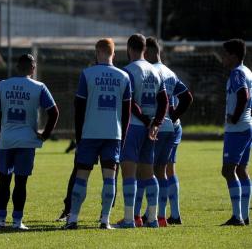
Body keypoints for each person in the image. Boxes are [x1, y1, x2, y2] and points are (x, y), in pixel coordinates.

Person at [63, 38, 131, 230]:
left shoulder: (87, 74)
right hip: (113, 134)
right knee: (109, 177)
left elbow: (79, 107)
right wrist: (122, 137)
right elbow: (126, 113)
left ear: (97, 52)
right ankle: (105, 221)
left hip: (90, 133)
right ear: (113, 54)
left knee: (82, 176)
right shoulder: (124, 76)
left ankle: (73, 219)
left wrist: (79, 137)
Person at [0, 54, 59, 230]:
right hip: (27, 141)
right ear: (32, 68)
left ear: (16, 67)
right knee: (21, 183)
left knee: (3, 181)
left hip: (6, 140)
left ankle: (0, 220)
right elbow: (54, 112)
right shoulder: (39, 87)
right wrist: (45, 134)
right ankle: (17, 221)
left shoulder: (3, 85)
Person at [114, 33, 168, 228]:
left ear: (129, 49)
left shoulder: (127, 71)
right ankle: (152, 219)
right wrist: (156, 123)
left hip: (134, 127)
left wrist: (146, 121)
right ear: (145, 49)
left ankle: (129, 219)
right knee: (148, 173)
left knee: (128, 173)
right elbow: (164, 101)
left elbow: (130, 103)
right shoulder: (155, 71)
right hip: (150, 129)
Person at [142, 37, 192, 226]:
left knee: (150, 170)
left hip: (159, 127)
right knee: (167, 169)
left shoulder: (152, 71)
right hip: (174, 127)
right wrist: (175, 114)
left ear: (148, 52)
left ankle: (152, 214)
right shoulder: (171, 73)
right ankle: (174, 214)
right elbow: (187, 97)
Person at [220, 39, 252, 226]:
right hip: (246, 127)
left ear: (233, 55)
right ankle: (244, 216)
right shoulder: (248, 71)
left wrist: (234, 116)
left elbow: (244, 95)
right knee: (241, 170)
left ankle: (237, 216)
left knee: (228, 170)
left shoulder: (237, 73)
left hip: (237, 129)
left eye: (225, 54)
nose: (223, 57)